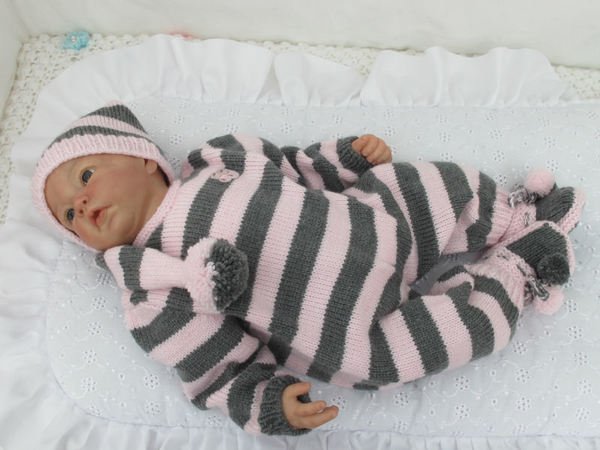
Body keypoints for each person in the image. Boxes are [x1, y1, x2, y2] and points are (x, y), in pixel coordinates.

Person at [33, 103, 584, 435]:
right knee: (427, 347)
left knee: (422, 185)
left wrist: (345, 159)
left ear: (142, 156)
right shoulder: (150, 290)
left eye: (85, 177)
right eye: (67, 216)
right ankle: (516, 269)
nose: (80, 205)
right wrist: (265, 402)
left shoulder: (219, 159)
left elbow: (296, 169)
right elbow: (215, 370)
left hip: (373, 221)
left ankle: (512, 214)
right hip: (353, 331)